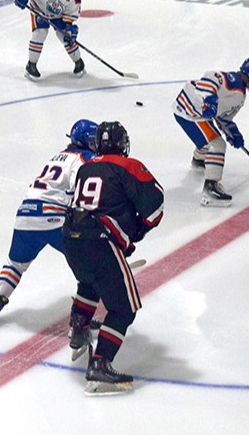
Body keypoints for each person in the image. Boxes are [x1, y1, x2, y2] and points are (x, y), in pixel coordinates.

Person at [62, 121, 164, 395]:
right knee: (124, 308)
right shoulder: (128, 165)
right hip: (99, 241)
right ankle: (100, 363)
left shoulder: (85, 166)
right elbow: (155, 205)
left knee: (89, 282)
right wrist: (135, 231)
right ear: (122, 144)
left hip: (70, 238)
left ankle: (79, 328)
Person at [0, 119, 98, 327]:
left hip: (25, 214)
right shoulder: (84, 158)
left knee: (15, 264)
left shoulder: (56, 157)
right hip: (53, 217)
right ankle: (83, 319)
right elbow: (77, 193)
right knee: (91, 265)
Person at [173, 57, 249, 207]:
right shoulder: (232, 80)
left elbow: (223, 118)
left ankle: (199, 160)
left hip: (196, 113)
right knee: (217, 144)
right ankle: (211, 187)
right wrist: (209, 98)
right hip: (189, 110)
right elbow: (210, 76)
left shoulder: (240, 96)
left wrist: (233, 133)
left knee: (209, 137)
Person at [13, 0, 84, 81]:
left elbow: (71, 13)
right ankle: (31, 65)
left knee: (65, 36)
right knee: (40, 33)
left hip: (58, 15)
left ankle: (78, 62)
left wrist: (69, 27)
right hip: (39, 10)